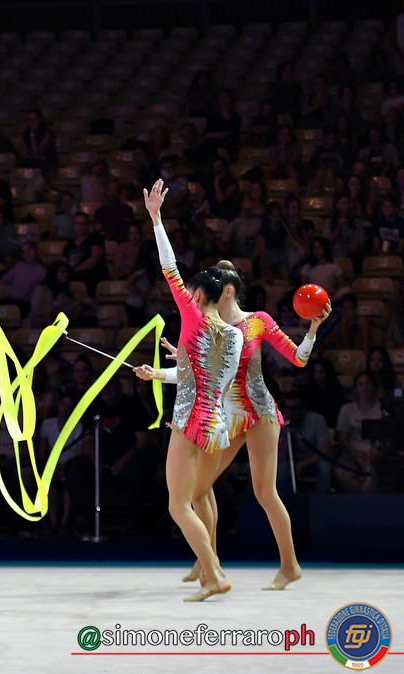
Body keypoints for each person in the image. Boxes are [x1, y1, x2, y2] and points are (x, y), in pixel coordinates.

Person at [168, 260, 329, 591]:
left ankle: (290, 566)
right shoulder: (210, 327)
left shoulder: (258, 321)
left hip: (259, 413)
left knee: (264, 492)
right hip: (228, 418)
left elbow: (299, 358)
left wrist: (313, 329)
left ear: (227, 292)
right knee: (198, 489)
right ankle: (209, 563)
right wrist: (182, 355)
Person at [133, 180, 241, 602]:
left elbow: (169, 267)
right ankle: (212, 569)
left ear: (198, 295)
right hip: (217, 423)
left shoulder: (193, 316)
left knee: (178, 505)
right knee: (200, 495)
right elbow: (205, 379)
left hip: (190, 421)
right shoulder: (233, 335)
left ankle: (212, 575)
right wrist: (159, 374)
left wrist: (156, 218)